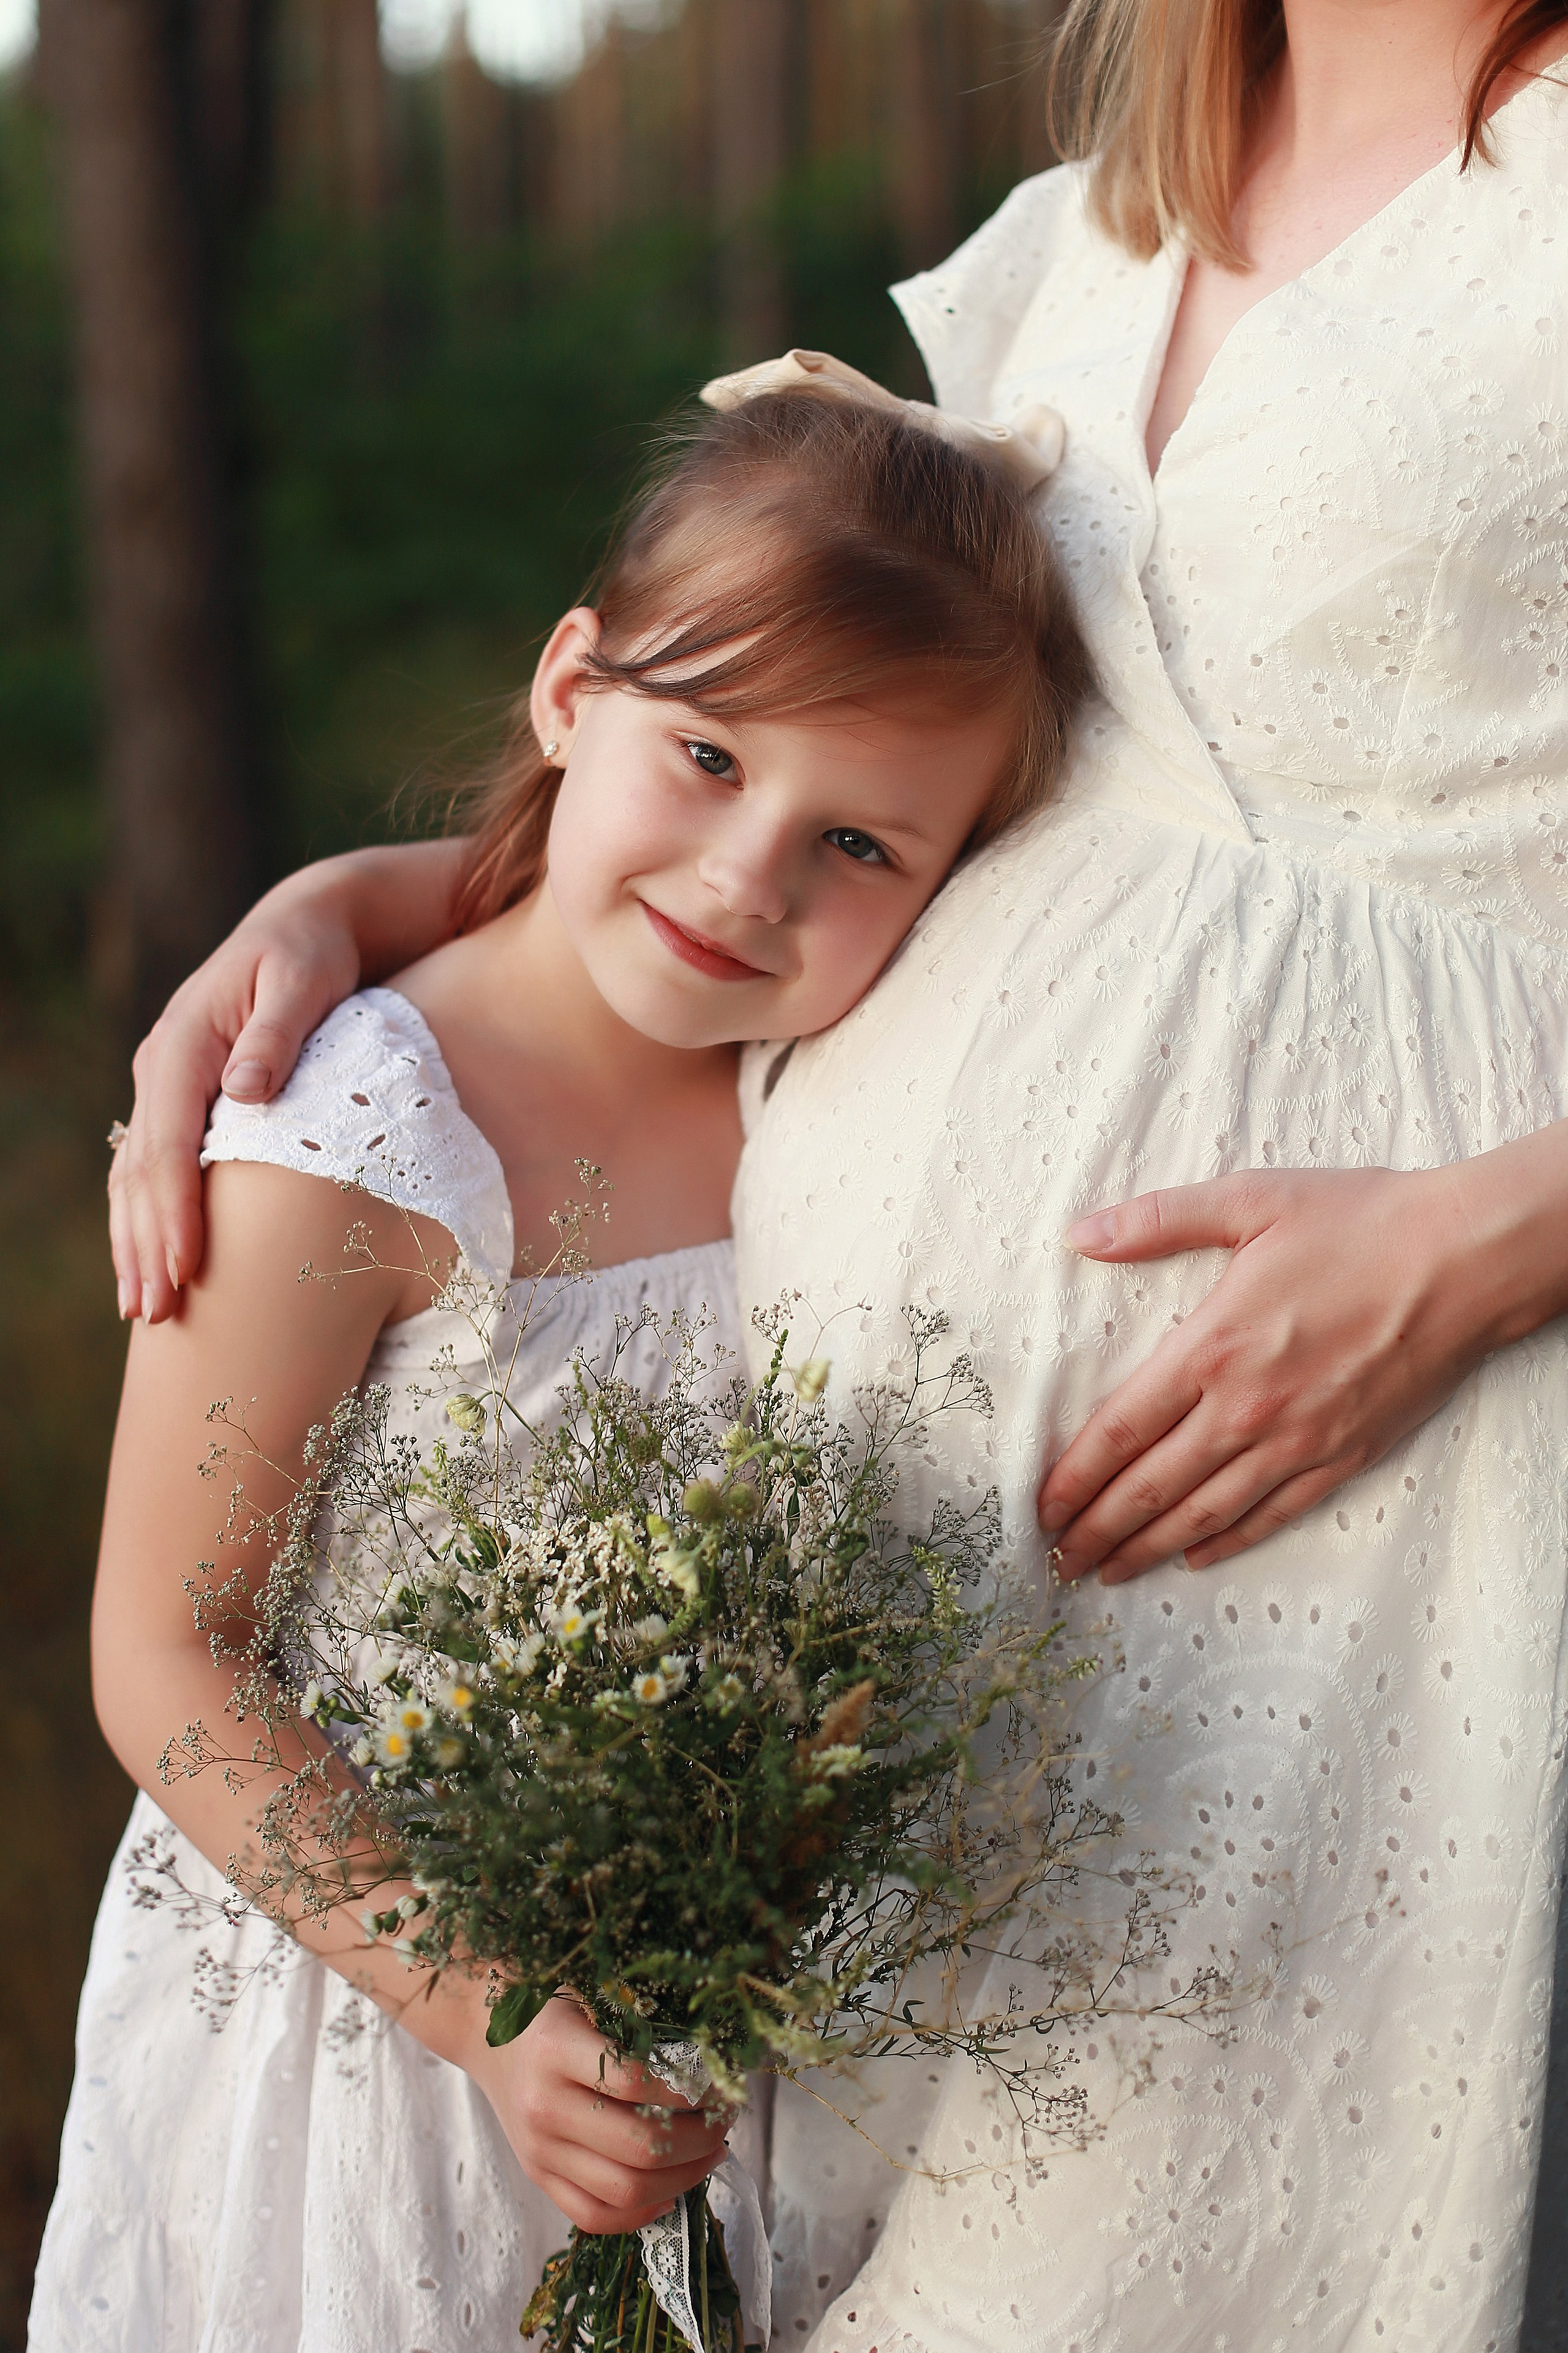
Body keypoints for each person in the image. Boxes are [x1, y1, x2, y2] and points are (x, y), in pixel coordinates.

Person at [94, 1, 1568, 2344]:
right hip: (887, 1650)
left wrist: (1504, 1229)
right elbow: (784, 709)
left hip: (1362, 1525)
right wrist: (367, 908)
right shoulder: (1108, 224)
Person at [29, 377, 1087, 2351]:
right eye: (704, 754)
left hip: (684, 2046)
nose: (749, 879)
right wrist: (491, 2018)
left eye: (857, 840)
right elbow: (164, 1657)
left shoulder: (816, 1090)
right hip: (378, 2026)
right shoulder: (355, 1131)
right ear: (566, 690)